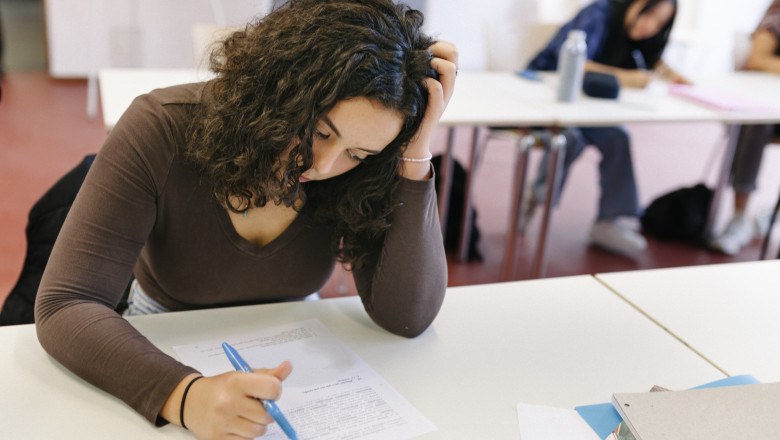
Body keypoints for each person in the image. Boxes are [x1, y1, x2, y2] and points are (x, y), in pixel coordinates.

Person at [34, 1, 456, 438]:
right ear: (283, 86)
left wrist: (414, 153)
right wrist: (185, 395)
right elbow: (66, 304)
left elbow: (407, 317)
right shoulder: (160, 126)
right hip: (156, 338)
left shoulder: (362, 173)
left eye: (358, 153)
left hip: (295, 347)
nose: (324, 165)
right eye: (320, 132)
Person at [525, 0, 689, 255]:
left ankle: (608, 221)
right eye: (649, 15)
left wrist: (672, 75)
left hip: (587, 108)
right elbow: (573, 62)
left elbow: (651, 60)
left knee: (618, 137)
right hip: (545, 100)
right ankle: (537, 195)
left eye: (660, 24)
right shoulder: (598, 14)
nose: (651, 27)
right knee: (570, 138)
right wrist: (625, 78)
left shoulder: (637, 34)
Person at [710, 0, 780, 255]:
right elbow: (757, 59)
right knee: (756, 124)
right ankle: (739, 217)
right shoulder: (777, 15)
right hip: (764, 107)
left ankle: (772, 213)